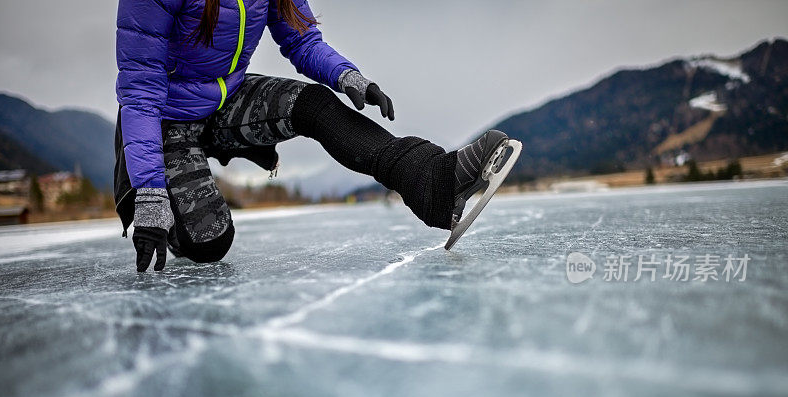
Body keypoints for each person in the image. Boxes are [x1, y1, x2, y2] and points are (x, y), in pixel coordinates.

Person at [115, 0, 515, 272]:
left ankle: (433, 182)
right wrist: (151, 195)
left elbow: (301, 39)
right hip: (165, 118)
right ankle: (173, 206)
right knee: (209, 244)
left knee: (312, 104)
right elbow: (139, 94)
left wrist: (347, 76)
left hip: (226, 100)